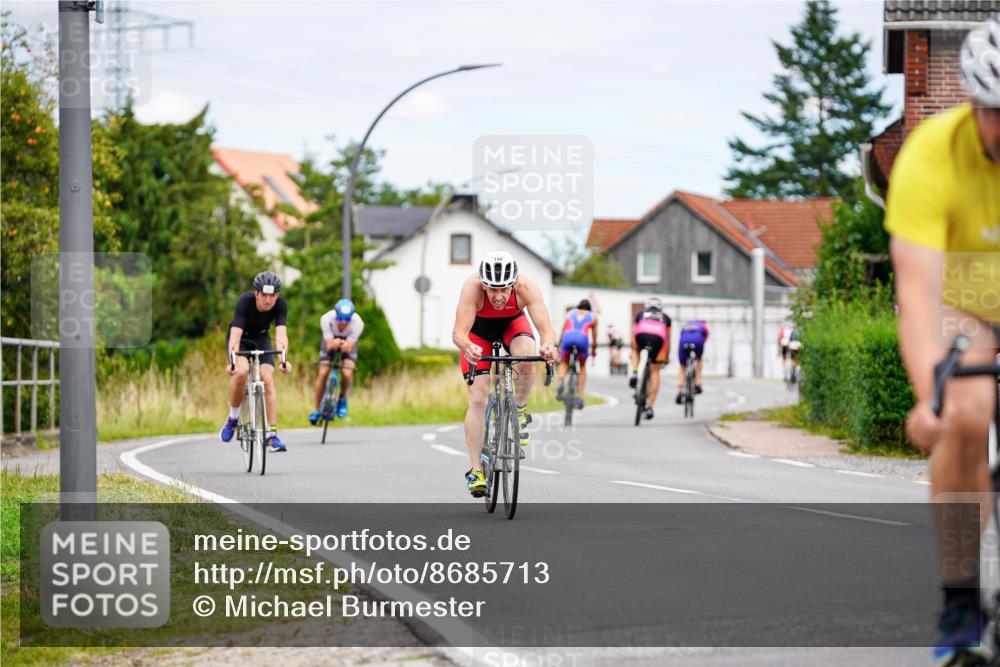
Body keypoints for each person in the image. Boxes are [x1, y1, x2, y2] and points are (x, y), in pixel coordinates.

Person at [883, 18, 1000, 667]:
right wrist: (929, 395)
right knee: (964, 411)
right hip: (966, 300)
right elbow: (919, 293)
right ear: (976, 106)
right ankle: (961, 597)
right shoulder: (931, 153)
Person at [452, 250, 559, 497]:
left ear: (514, 283)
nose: (498, 296)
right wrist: (468, 347)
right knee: (478, 399)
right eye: (492, 290)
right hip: (478, 335)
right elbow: (458, 332)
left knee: (525, 356)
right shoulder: (472, 287)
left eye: (504, 289)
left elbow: (547, 331)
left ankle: (519, 410)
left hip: (513, 324)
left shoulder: (527, 287)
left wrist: (548, 347)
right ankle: (476, 471)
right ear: (483, 285)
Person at [219, 271, 292, 452]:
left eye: (272, 295)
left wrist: (283, 360)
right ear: (257, 293)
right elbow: (235, 334)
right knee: (241, 372)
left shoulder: (280, 305)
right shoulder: (245, 302)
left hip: (262, 338)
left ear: (277, 295)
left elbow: (281, 335)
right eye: (264, 295)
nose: (268, 300)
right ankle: (233, 418)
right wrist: (233, 363)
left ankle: (271, 435)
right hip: (241, 340)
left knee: (267, 378)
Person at [309, 298, 365, 424]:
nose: (343, 324)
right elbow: (329, 345)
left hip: (349, 342)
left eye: (347, 321)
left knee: (347, 372)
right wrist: (334, 343)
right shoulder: (326, 319)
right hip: (330, 340)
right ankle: (316, 409)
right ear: (336, 315)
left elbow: (349, 346)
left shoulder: (358, 323)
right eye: (340, 320)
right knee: (323, 373)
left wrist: (344, 344)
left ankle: (342, 397)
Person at [629, 297, 672, 420]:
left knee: (635, 350)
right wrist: (666, 357)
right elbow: (667, 339)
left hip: (641, 335)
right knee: (655, 371)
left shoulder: (640, 314)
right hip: (658, 338)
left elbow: (634, 332)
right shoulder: (666, 317)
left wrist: (633, 351)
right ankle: (650, 407)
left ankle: (634, 372)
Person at [556, 299, 598, 409]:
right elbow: (594, 339)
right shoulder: (593, 316)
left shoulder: (570, 313)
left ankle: (560, 383)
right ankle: (580, 396)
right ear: (589, 309)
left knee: (564, 362)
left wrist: (560, 345)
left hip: (568, 337)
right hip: (582, 339)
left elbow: (562, 331)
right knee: (582, 366)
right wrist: (593, 351)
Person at [675, 319, 709, 404]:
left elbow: (681, 335)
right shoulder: (703, 326)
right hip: (698, 342)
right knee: (699, 359)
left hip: (684, 342)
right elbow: (705, 337)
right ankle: (697, 383)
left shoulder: (686, 324)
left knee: (683, 366)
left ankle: (680, 390)